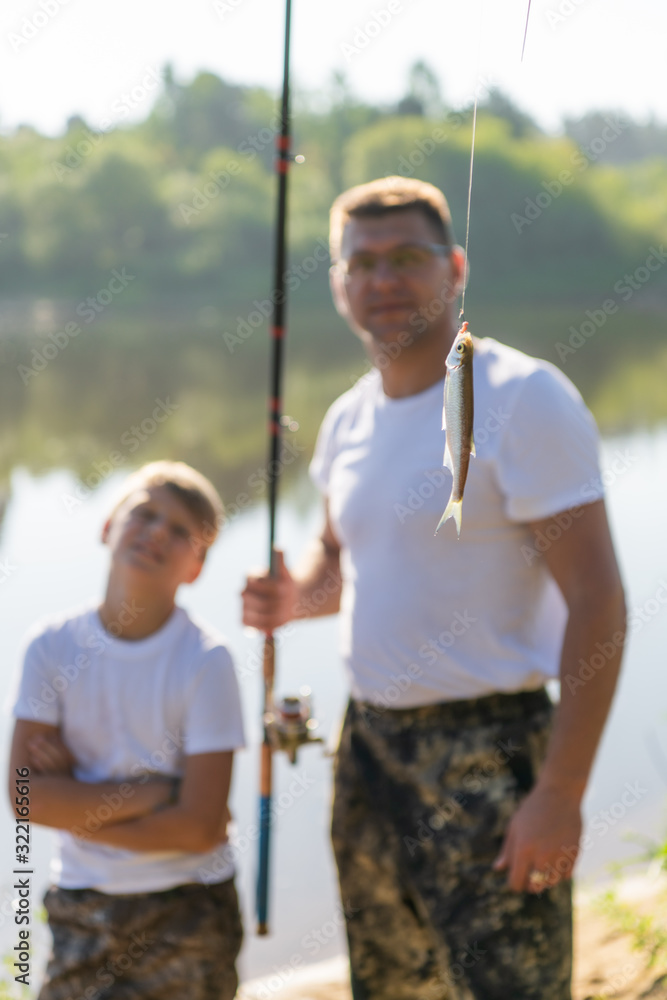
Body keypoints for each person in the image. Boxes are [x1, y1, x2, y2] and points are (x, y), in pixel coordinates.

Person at [242, 177, 626, 999]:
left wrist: (559, 795)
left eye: (407, 258)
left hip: (490, 755)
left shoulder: (524, 396)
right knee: (390, 989)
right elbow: (338, 564)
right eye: (363, 262)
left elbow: (599, 603)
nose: (383, 279)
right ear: (340, 282)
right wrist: (291, 596)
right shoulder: (347, 418)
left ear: (453, 267)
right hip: (368, 753)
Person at [8, 460, 245, 1000]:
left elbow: (201, 830)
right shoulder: (49, 647)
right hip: (80, 900)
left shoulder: (207, 661)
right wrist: (158, 793)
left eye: (181, 530)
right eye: (144, 512)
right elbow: (25, 799)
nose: (158, 531)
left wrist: (76, 810)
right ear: (107, 526)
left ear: (197, 567)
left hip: (189, 904)